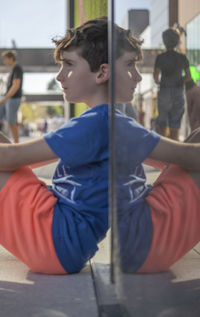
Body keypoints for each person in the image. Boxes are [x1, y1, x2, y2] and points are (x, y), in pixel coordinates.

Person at [0, 17, 200, 276]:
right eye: (130, 65)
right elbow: (175, 161)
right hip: (98, 243)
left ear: (102, 73)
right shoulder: (111, 123)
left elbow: (13, 157)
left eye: (69, 65)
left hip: (59, 240)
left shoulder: (100, 121)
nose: (60, 75)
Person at [153, 27, 191, 140]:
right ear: (177, 41)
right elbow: (188, 76)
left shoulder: (160, 58)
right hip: (178, 91)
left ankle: (163, 152)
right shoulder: (183, 58)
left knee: (162, 124)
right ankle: (174, 153)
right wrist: (179, 81)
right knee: (175, 125)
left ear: (164, 41)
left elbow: (155, 77)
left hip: (164, 90)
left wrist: (161, 82)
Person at [0, 50, 23, 143]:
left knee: (11, 122)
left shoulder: (17, 68)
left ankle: (16, 146)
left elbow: (16, 85)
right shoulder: (14, 69)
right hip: (8, 98)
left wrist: (5, 99)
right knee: (10, 122)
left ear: (11, 58)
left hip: (13, 99)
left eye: (5, 59)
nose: (4, 62)